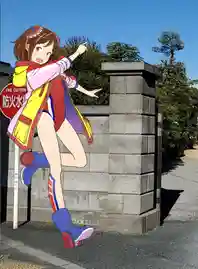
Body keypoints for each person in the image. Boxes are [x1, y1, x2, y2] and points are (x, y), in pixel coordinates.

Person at [8, 25, 101, 248]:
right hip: (43, 118)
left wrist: (87, 91)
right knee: (57, 170)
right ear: (28, 48)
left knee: (81, 160)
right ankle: (67, 228)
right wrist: (76, 54)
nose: (44, 55)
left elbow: (66, 80)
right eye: (40, 49)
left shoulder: (51, 67)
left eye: (48, 52)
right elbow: (55, 70)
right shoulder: (27, 73)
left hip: (60, 119)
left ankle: (35, 160)